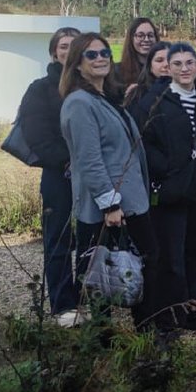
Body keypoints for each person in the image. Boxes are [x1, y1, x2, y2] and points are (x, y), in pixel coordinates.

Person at [59, 33, 174, 342]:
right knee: (100, 271)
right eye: (91, 55)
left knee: (138, 262)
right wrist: (110, 205)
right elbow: (89, 159)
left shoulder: (104, 98)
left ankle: (142, 331)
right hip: (109, 206)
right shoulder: (79, 103)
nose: (100, 58)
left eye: (104, 53)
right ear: (77, 64)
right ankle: (108, 339)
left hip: (129, 200)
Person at [131, 43, 196, 330]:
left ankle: (192, 309)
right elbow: (143, 143)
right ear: (168, 68)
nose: (184, 68)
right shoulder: (154, 102)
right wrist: (166, 168)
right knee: (170, 255)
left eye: (190, 63)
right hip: (171, 190)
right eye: (177, 63)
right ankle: (168, 313)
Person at [14, 26, 80, 327]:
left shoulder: (94, 85)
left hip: (92, 175)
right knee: (59, 239)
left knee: (93, 237)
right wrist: (69, 159)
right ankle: (63, 304)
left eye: (75, 45)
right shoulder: (40, 89)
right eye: (64, 46)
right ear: (54, 52)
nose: (69, 50)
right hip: (59, 174)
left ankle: (89, 296)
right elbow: (37, 136)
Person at [124, 41, 170, 106]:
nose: (166, 64)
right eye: (159, 60)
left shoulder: (184, 92)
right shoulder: (138, 94)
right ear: (150, 66)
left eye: (170, 60)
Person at [117, 17, 159, 86]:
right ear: (131, 39)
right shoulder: (117, 71)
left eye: (150, 35)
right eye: (140, 36)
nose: (146, 39)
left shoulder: (165, 69)